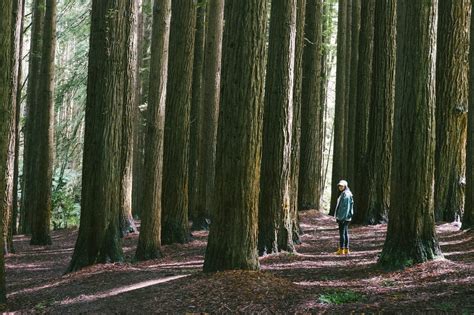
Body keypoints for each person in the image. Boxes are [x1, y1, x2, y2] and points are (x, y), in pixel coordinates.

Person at [334, 179, 353, 255]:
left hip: (344, 217)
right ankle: (345, 249)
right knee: (345, 232)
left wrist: (342, 218)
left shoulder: (346, 194)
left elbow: (346, 208)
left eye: (342, 186)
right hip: (345, 217)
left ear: (345, 186)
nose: (340, 187)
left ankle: (342, 249)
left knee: (342, 233)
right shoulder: (345, 193)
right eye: (339, 186)